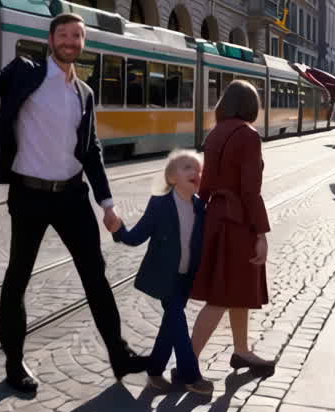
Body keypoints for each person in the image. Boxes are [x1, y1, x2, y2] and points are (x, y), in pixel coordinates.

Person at [0, 12, 147, 393]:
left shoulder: (84, 93)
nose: (70, 41)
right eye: (64, 34)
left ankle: (119, 354)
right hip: (29, 194)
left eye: (77, 35)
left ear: (83, 42)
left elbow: (91, 150)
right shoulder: (25, 72)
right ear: (51, 38)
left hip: (72, 195)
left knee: (96, 277)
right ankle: (14, 363)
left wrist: (107, 203)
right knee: (18, 277)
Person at [189, 81, 277, 377]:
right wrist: (261, 234)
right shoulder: (248, 135)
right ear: (251, 105)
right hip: (237, 222)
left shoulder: (216, 132)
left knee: (236, 289)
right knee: (223, 295)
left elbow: (206, 184)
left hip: (217, 215)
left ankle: (241, 350)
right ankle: (188, 364)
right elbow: (251, 191)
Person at [110, 150, 214, 395]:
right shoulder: (160, 204)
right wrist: (118, 230)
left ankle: (155, 370)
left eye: (198, 169)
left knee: (171, 324)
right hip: (165, 277)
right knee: (177, 321)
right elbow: (136, 237)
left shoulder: (200, 207)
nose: (195, 172)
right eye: (188, 167)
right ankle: (191, 375)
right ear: (172, 177)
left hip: (186, 277)